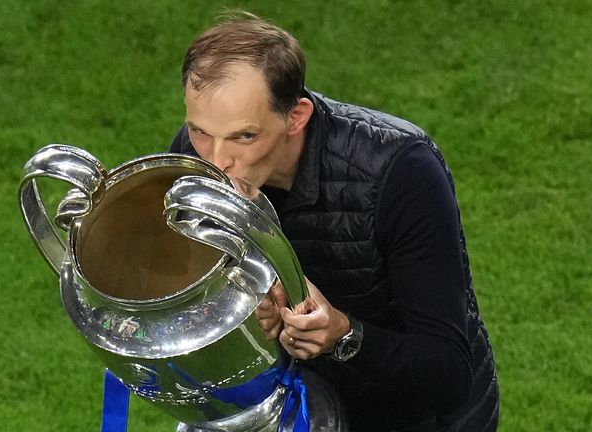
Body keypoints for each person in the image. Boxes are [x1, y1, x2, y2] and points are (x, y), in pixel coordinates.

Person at [169, 13, 499, 432]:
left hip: (420, 417)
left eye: (245, 137)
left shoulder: (401, 173)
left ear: (296, 117)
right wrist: (251, 305)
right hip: (304, 407)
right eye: (200, 131)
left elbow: (448, 375)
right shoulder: (196, 157)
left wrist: (343, 335)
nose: (215, 161)